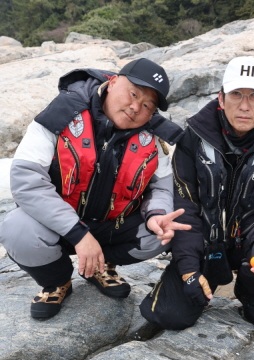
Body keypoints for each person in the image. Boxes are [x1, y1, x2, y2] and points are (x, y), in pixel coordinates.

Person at [0, 58, 191, 319]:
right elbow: (26, 181)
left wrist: (157, 214)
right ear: (112, 83)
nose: (136, 107)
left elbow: (162, 188)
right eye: (133, 94)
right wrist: (79, 234)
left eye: (148, 105)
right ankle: (57, 281)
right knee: (16, 228)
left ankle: (100, 265)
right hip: (57, 225)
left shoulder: (153, 137)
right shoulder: (62, 114)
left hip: (111, 226)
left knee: (164, 232)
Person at [140, 56, 254, 330]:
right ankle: (204, 276)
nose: (244, 106)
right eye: (236, 94)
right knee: (169, 316)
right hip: (205, 242)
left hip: (253, 242)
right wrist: (188, 269)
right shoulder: (192, 138)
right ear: (221, 98)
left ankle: (250, 293)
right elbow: (184, 206)